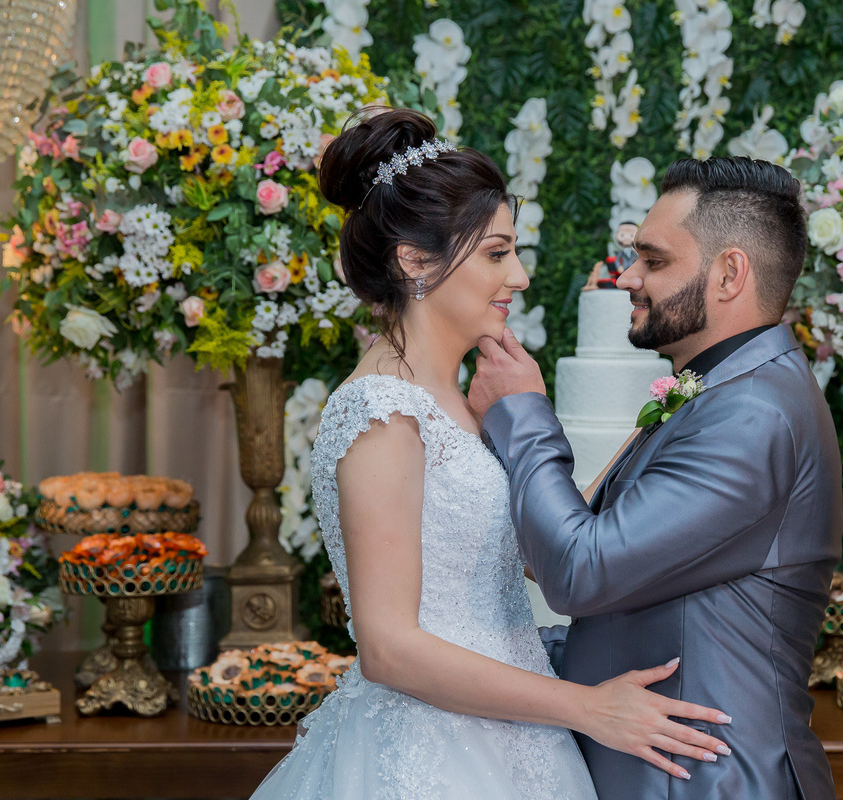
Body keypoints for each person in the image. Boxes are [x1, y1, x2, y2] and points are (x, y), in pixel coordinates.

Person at [247, 108, 731, 800]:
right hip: (430, 755)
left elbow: (538, 560)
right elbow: (388, 648)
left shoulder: (466, 397)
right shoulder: (382, 411)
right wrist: (588, 708)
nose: (521, 277)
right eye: (497, 253)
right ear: (414, 260)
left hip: (519, 737)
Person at [471, 157, 843, 800]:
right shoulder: (720, 389)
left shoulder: (752, 413)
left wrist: (523, 413)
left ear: (730, 274)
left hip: (709, 781)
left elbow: (579, 570)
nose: (628, 277)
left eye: (654, 260)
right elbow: (611, 580)